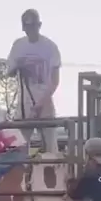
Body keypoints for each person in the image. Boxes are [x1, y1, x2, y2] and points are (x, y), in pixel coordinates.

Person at [7, 9, 61, 154]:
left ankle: (52, 165)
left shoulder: (50, 47)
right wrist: (18, 66)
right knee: (20, 145)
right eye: (27, 26)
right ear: (23, 27)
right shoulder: (18, 46)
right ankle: (22, 167)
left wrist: (42, 102)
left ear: (39, 25)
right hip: (24, 103)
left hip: (45, 100)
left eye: (33, 26)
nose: (30, 29)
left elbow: (55, 80)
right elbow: (10, 72)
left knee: (50, 144)